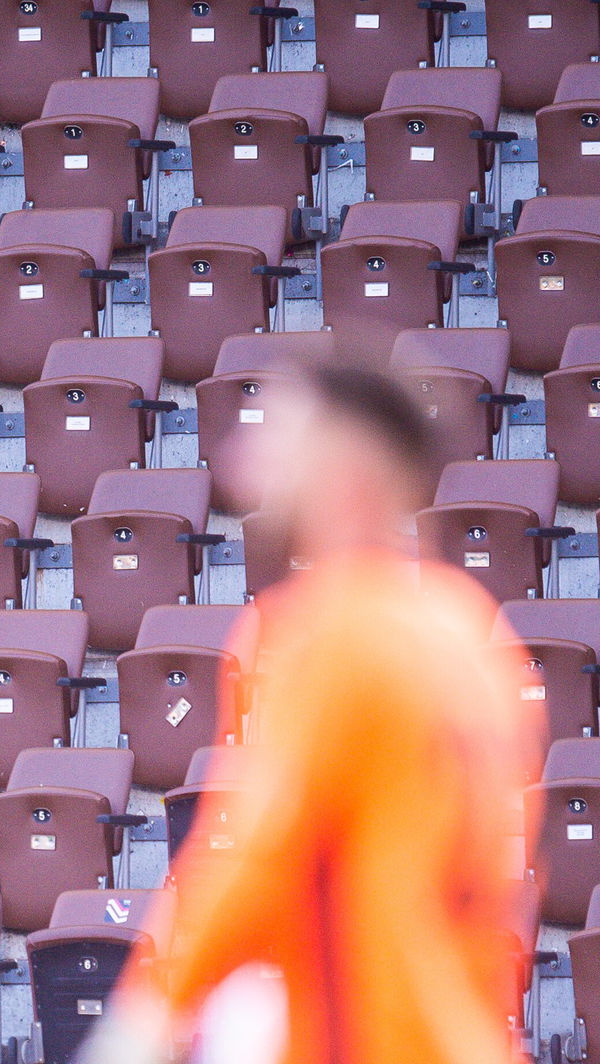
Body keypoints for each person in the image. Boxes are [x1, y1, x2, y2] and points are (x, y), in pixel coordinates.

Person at [84, 364, 546, 1064]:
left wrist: (145, 1019)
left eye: (278, 436)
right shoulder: (472, 630)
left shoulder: (330, 629)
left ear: (344, 471)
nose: (242, 458)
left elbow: (261, 859)